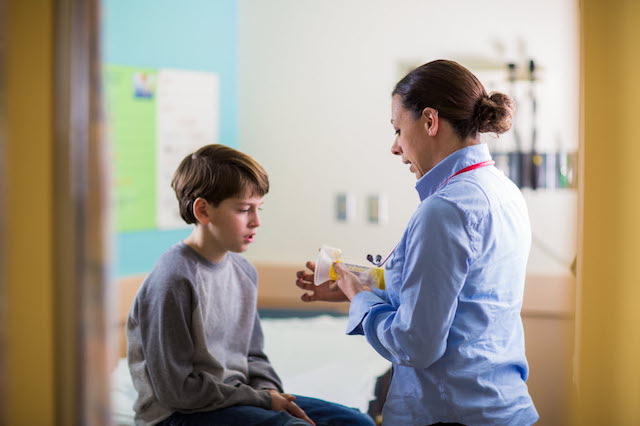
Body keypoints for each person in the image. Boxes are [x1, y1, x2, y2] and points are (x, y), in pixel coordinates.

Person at [296, 60, 540, 426]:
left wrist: (359, 297)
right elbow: (461, 295)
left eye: (397, 129)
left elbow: (416, 344)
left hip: (451, 413)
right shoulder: (503, 191)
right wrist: (364, 285)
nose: (395, 147)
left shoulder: (444, 209)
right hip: (500, 407)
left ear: (430, 121)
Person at [127, 144, 375, 426]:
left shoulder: (244, 272)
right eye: (244, 210)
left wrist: (269, 391)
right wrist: (263, 401)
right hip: (179, 415)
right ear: (203, 211)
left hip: (237, 400)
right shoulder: (173, 279)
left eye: (259, 208)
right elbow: (177, 392)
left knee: (356, 423)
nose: (257, 222)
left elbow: (253, 355)